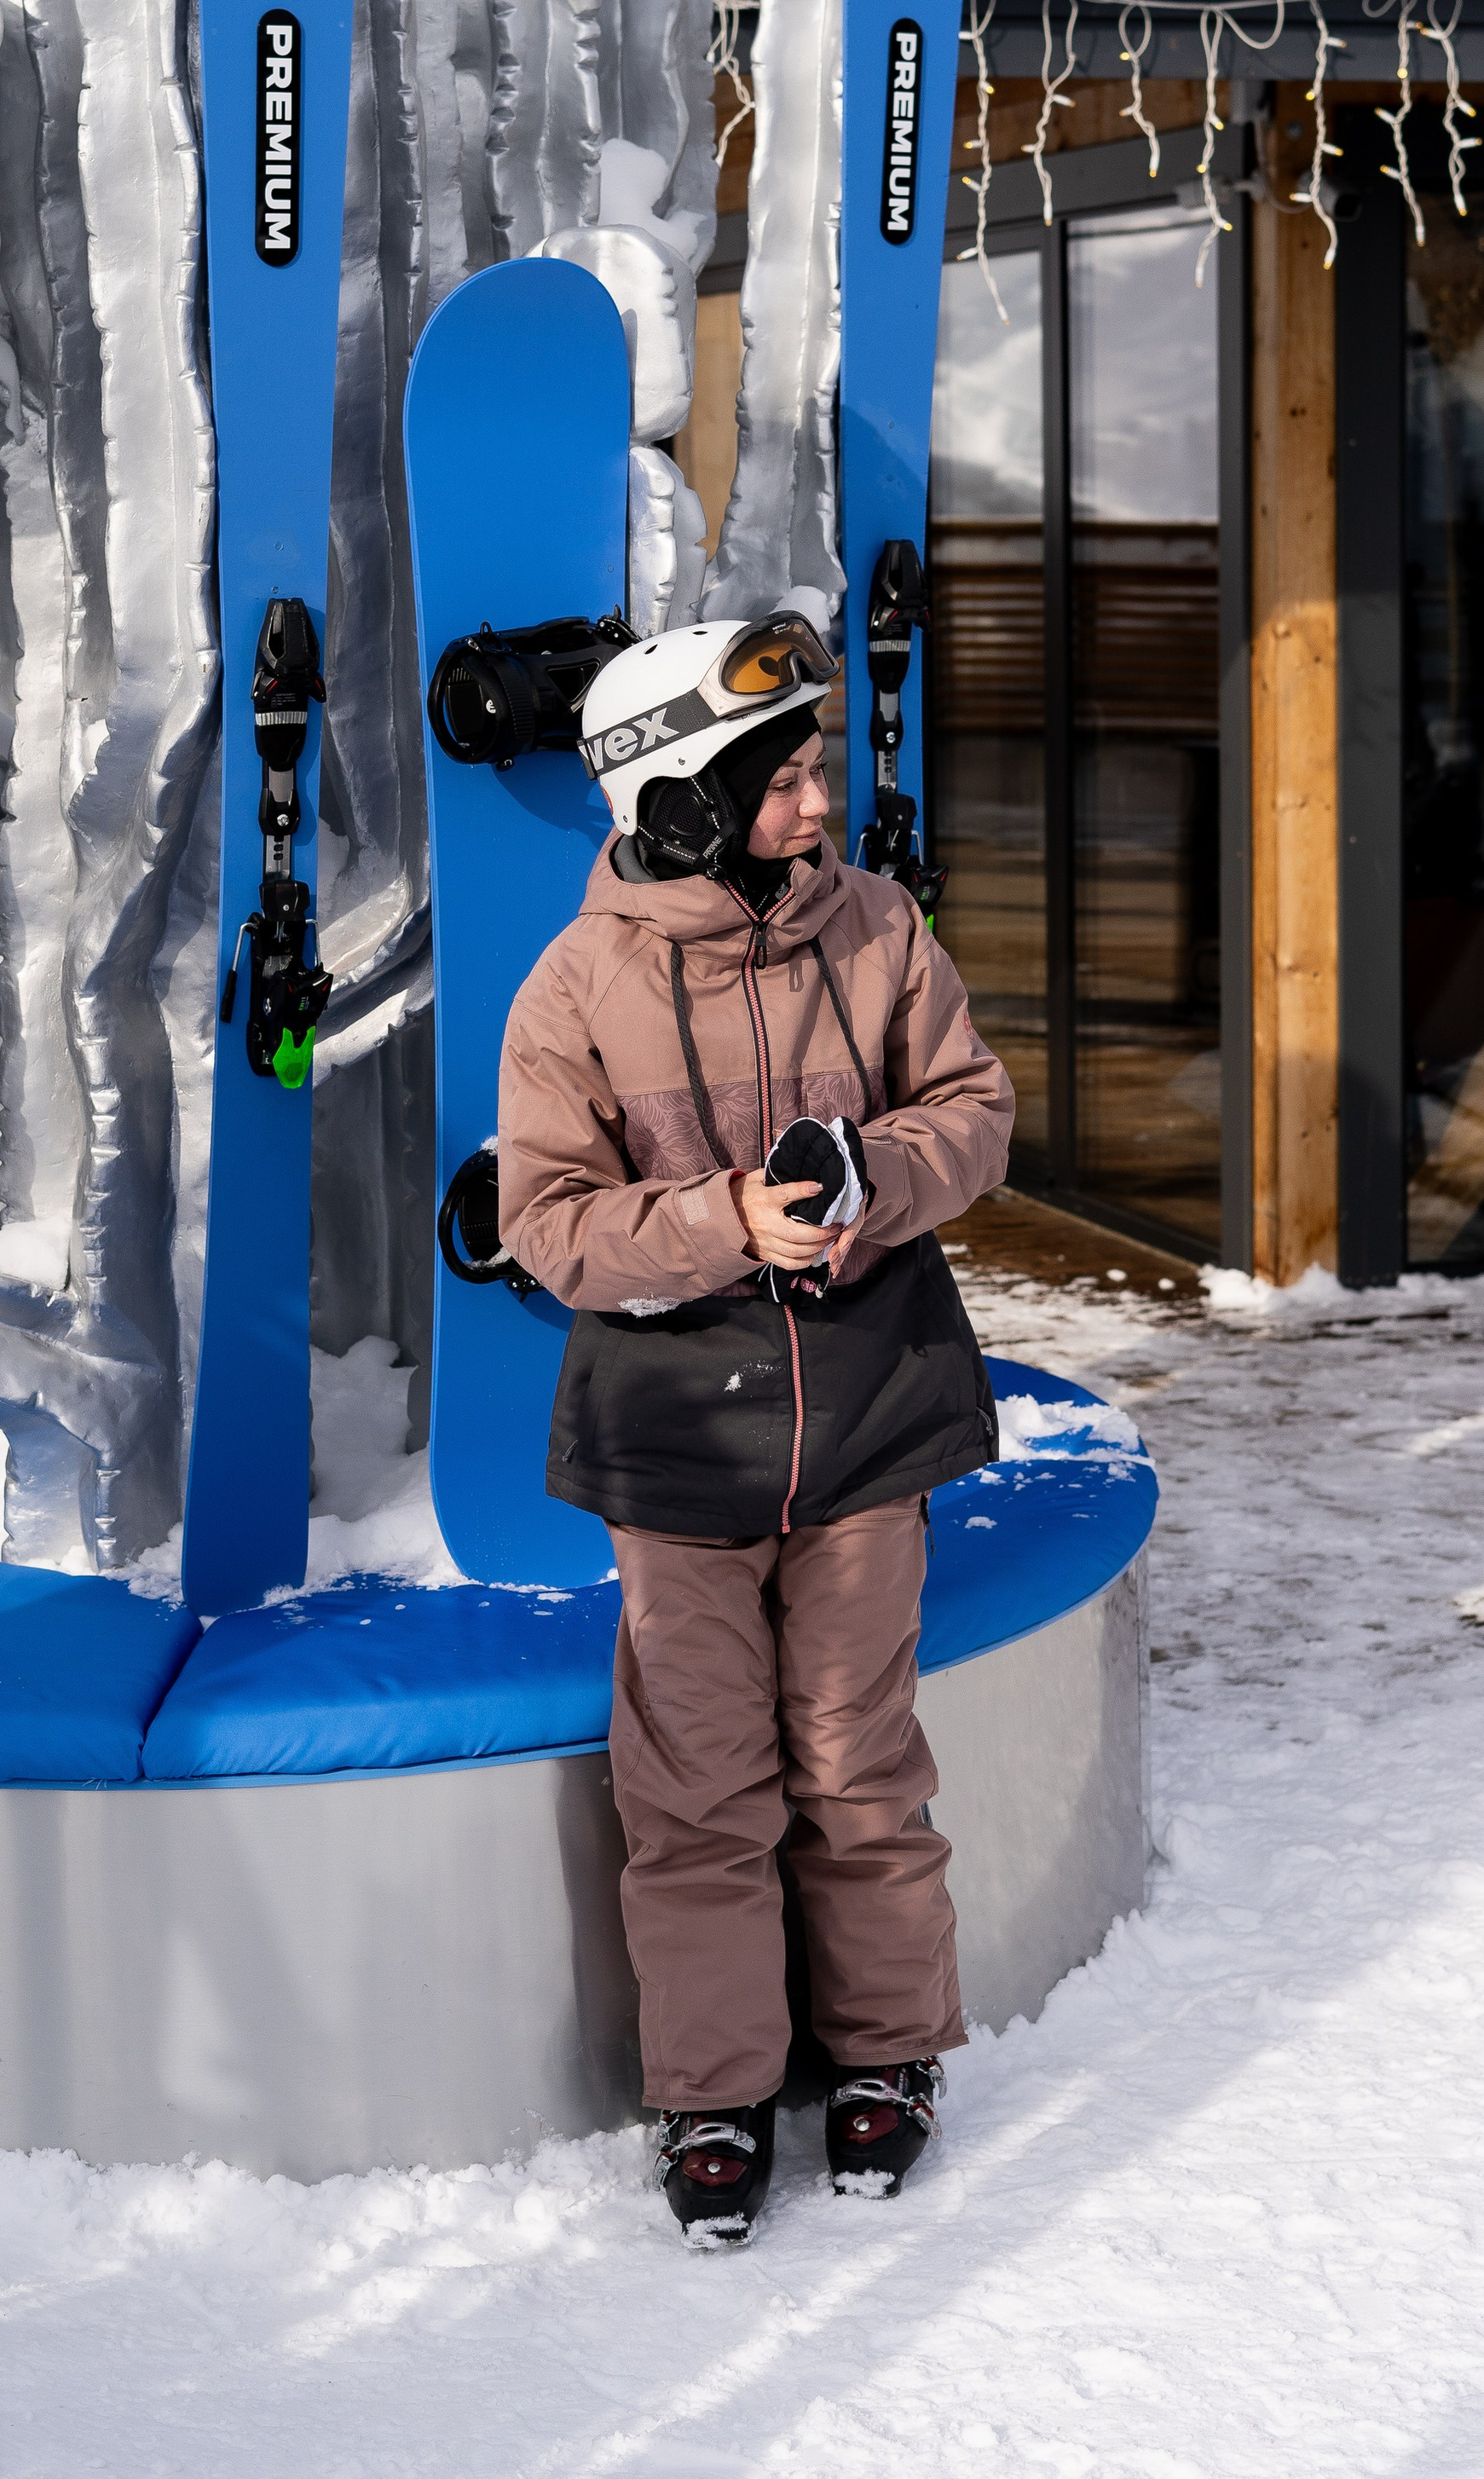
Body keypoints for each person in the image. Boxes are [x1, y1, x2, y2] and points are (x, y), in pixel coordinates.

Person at [496, 610, 1015, 2245]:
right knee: (701, 1784)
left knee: (861, 1764)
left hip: (865, 1422)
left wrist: (876, 1182)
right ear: (685, 801)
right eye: (781, 777)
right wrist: (730, 1218)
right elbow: (550, 1225)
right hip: (678, 1451)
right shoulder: (578, 986)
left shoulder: (877, 930)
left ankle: (889, 2054)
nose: (817, 803)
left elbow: (975, 1112)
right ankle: (714, 2087)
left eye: (812, 768)